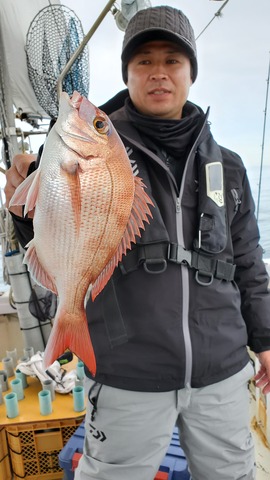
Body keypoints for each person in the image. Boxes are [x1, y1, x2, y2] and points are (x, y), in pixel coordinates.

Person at [5, 6, 270, 480]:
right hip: (128, 370)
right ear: (127, 73)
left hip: (223, 368)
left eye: (173, 60)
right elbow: (54, 230)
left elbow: (248, 257)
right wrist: (24, 210)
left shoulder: (227, 166)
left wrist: (266, 337)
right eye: (144, 61)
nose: (159, 73)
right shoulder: (89, 148)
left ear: (191, 72)